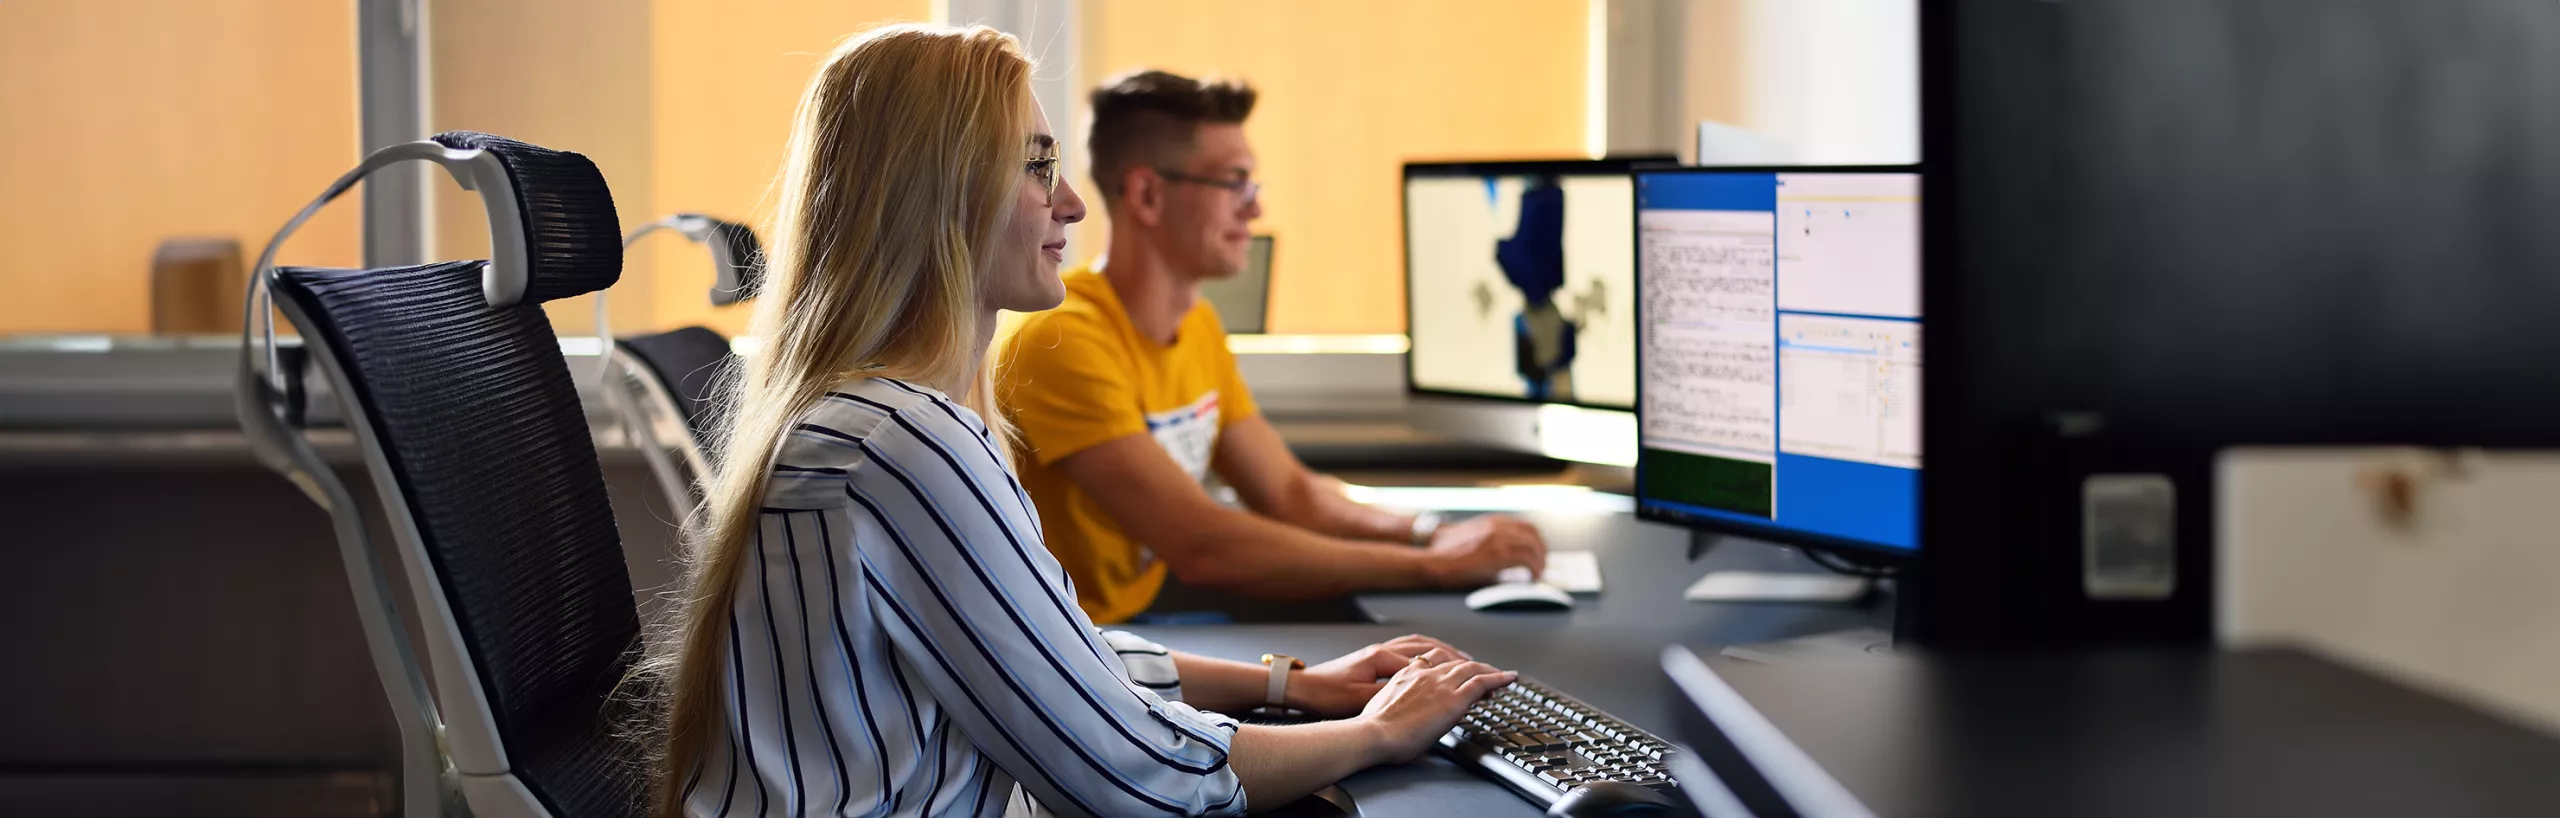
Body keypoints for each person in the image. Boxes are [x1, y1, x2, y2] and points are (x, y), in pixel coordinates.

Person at [647, 25, 1516, 818]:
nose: (1070, 202)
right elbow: (1132, 774)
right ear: (939, 196)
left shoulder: (879, 417)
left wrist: (1293, 686)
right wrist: (1379, 734)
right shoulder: (905, 442)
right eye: (1034, 167)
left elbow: (1056, 658)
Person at [995, 70, 1551, 625]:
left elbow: (1288, 492)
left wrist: (1433, 533)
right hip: (1098, 640)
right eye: (1235, 183)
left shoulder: (1198, 325)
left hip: (1152, 609)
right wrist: (1437, 569)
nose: (1255, 208)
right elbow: (1202, 546)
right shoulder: (1063, 341)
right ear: (1147, 194)